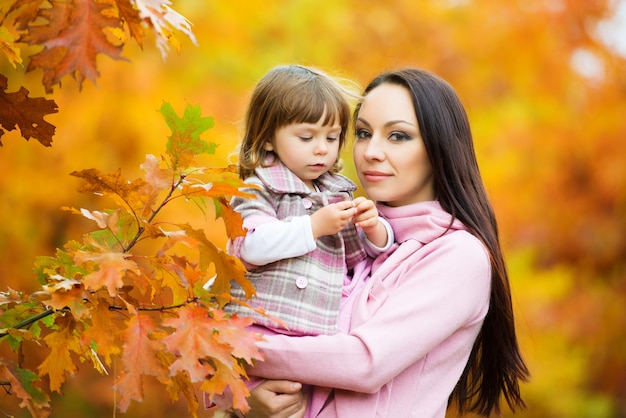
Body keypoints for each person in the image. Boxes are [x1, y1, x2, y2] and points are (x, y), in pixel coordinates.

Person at [244, 68, 530, 418]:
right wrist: (242, 402)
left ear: (439, 147)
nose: (370, 152)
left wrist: (236, 347)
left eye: (397, 136)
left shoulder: (458, 254)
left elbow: (364, 362)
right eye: (363, 133)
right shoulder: (336, 233)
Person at [214, 65, 392, 413]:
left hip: (314, 338)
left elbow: (359, 259)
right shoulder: (259, 186)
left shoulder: (337, 192)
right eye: (306, 138)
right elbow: (250, 244)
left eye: (331, 138)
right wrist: (312, 227)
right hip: (259, 330)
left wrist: (374, 230)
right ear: (268, 138)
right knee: (242, 403)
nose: (321, 150)